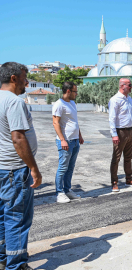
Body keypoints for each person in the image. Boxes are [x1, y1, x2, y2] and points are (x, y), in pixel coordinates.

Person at [0, 62, 42, 270]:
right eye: (25, 77)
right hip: (14, 170)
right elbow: (17, 138)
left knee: (2, 215)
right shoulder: (14, 102)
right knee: (17, 217)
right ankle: (16, 265)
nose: (27, 82)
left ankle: (2, 257)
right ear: (14, 78)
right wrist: (33, 168)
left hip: (1, 168)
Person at [52, 82, 84, 203]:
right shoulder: (59, 104)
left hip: (75, 140)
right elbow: (56, 123)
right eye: (75, 91)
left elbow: (74, 121)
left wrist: (79, 135)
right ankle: (59, 193)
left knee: (70, 168)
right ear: (68, 91)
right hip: (66, 141)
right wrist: (62, 140)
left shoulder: (72, 103)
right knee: (62, 168)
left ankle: (67, 190)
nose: (77, 94)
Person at [109, 78, 132, 192]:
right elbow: (112, 118)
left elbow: (131, 116)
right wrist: (114, 134)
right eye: (130, 85)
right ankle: (114, 182)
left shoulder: (129, 99)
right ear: (123, 86)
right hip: (120, 132)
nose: (131, 87)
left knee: (128, 157)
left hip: (130, 131)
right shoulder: (115, 100)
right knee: (116, 158)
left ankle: (129, 179)